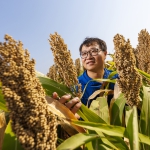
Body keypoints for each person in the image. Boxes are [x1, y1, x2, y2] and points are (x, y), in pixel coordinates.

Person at [53, 37, 118, 118]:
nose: (88, 57)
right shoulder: (75, 86)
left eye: (94, 51)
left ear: (105, 54)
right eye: (84, 54)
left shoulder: (118, 78)